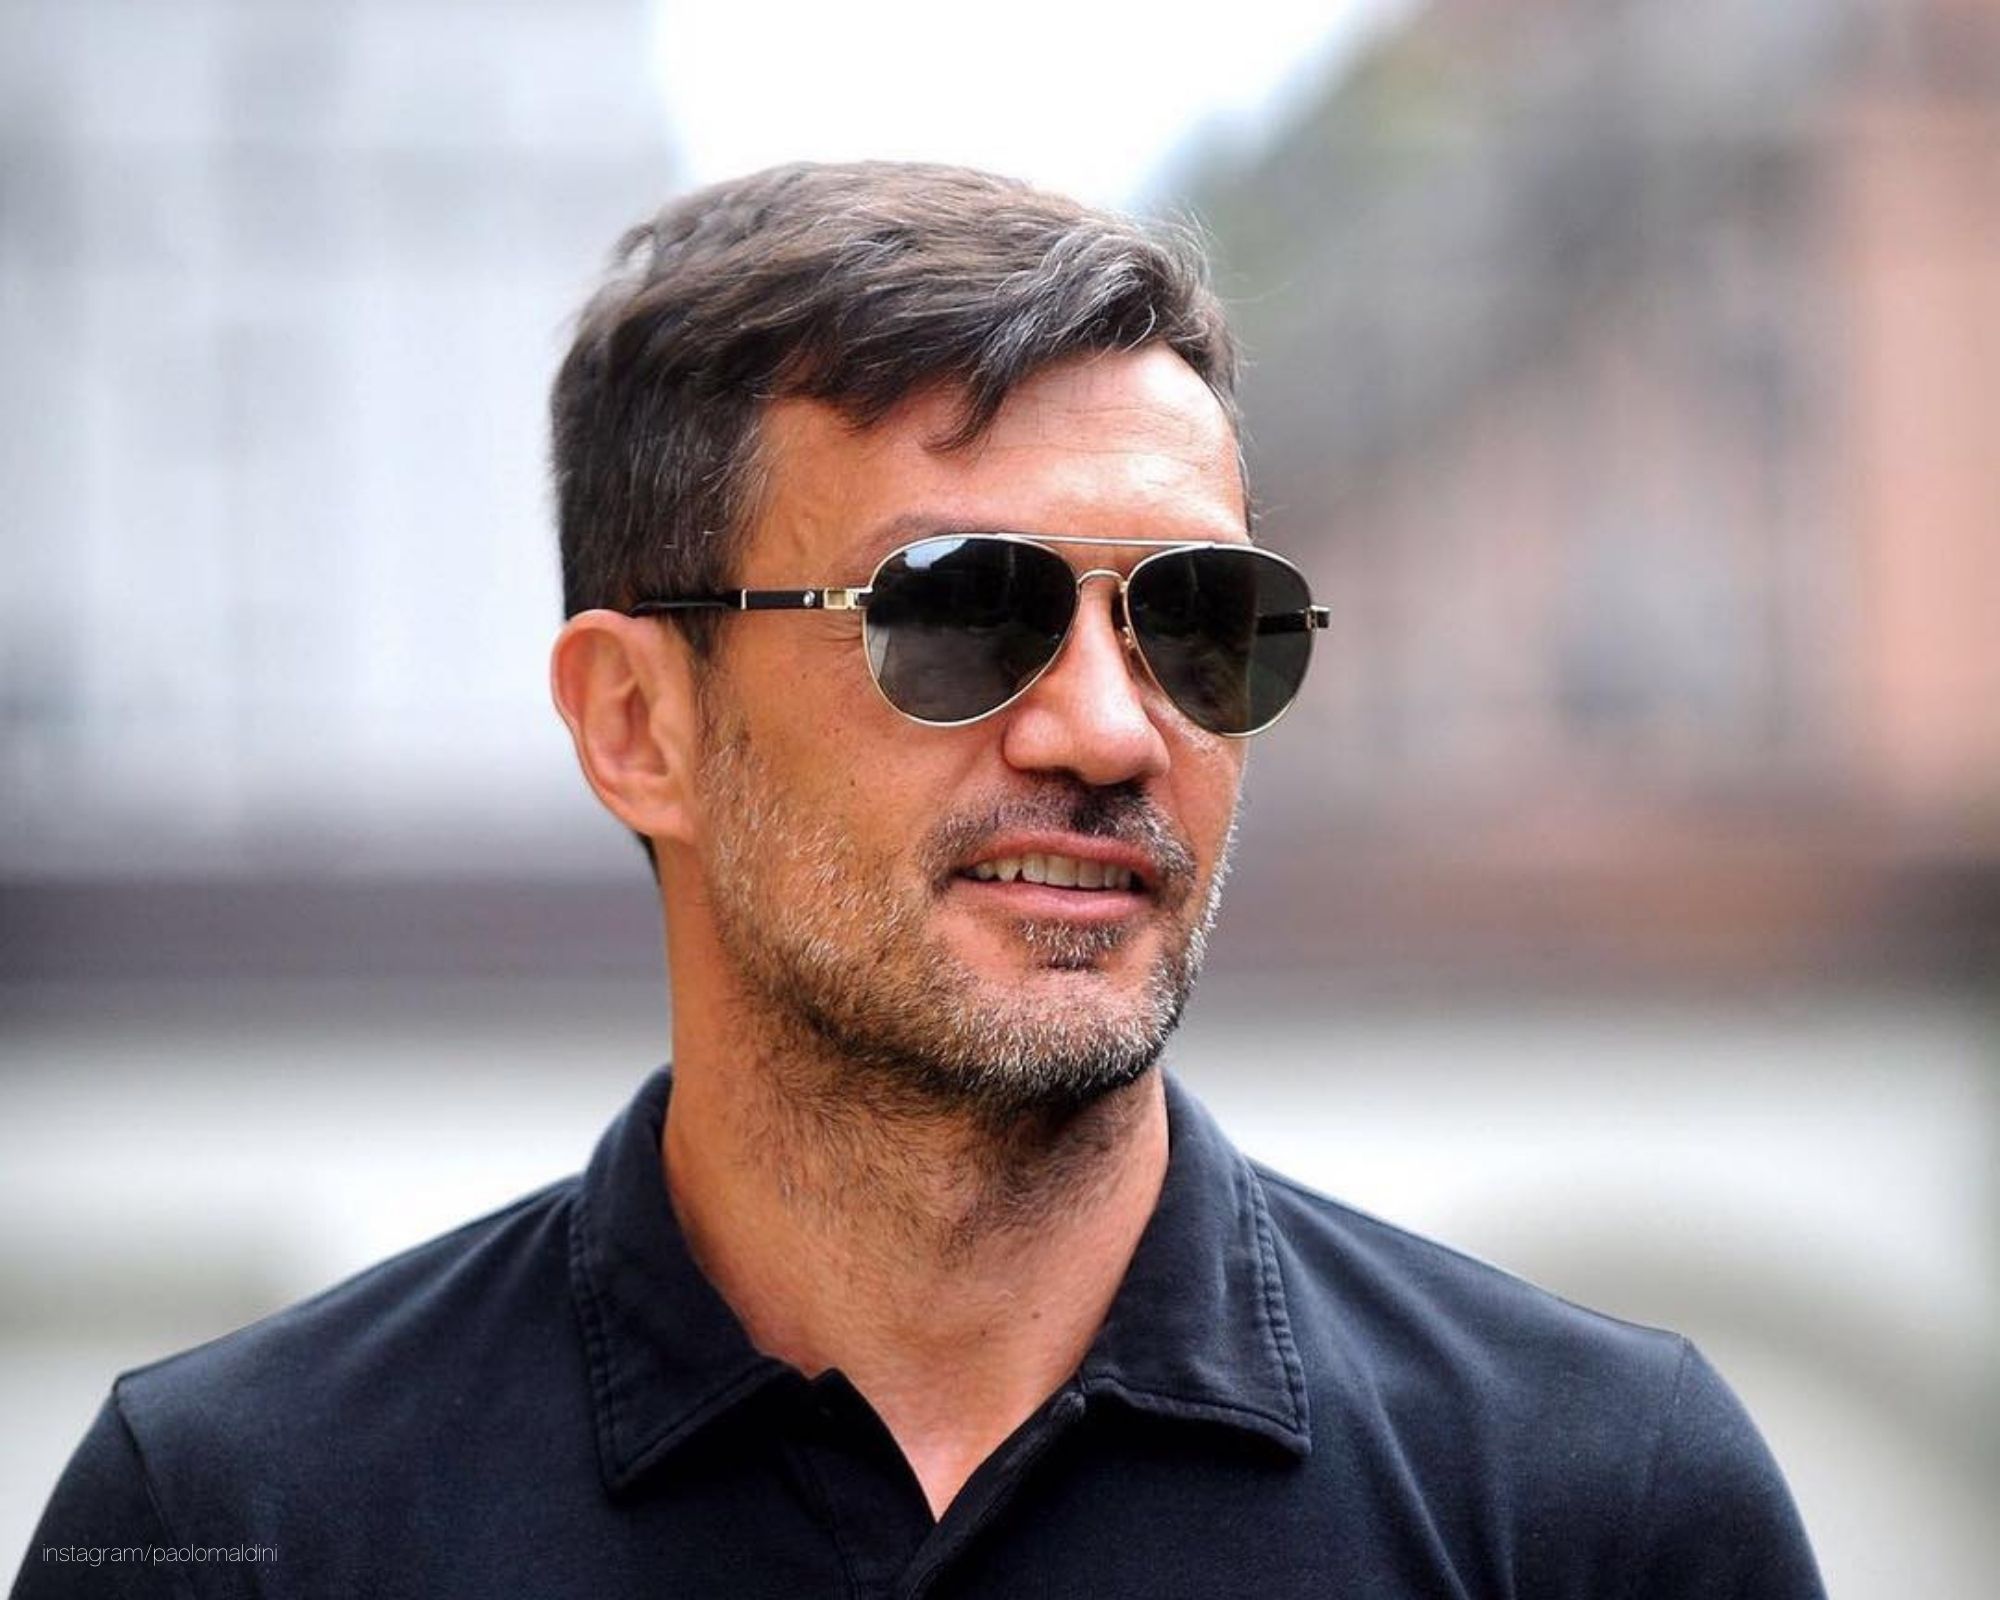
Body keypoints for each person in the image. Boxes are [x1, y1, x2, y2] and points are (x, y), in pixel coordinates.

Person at [14, 161, 1825, 1599]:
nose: (1109, 731)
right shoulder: (242, 1518)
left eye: (1204, 617)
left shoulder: (1594, 1506)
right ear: (638, 721)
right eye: (959, 609)